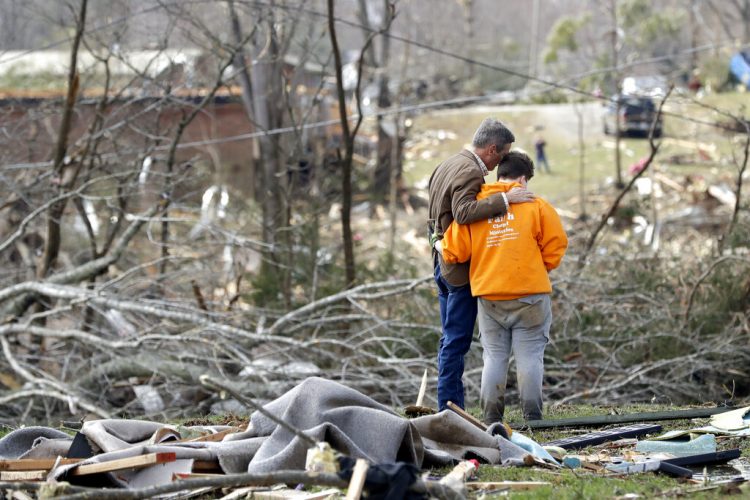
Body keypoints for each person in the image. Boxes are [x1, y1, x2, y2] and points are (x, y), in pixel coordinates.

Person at [437, 151, 567, 422]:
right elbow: (556, 245)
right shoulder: (537, 205)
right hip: (531, 294)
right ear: (522, 179)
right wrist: (540, 267)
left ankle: (491, 418)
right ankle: (533, 418)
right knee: (530, 356)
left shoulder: (478, 207)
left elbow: (453, 252)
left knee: (494, 357)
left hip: (489, 294)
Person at [427, 118, 534, 412]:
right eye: (501, 155)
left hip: (442, 262)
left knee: (448, 338)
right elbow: (463, 213)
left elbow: (436, 215)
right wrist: (505, 199)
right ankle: (449, 408)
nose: (500, 164)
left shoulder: (448, 164)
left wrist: (435, 243)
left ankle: (448, 405)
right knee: (457, 342)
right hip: (459, 271)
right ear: (491, 149)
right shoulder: (471, 171)